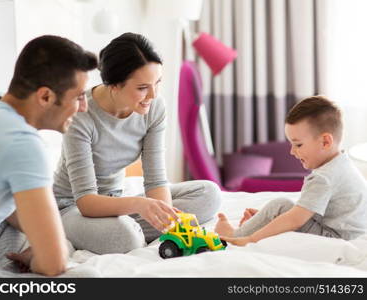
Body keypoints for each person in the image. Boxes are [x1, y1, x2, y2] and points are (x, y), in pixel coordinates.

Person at [53, 32, 222, 254]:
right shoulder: (81, 115)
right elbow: (86, 201)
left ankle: (129, 228)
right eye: (142, 87)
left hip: (118, 201)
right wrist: (139, 205)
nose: (153, 94)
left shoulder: (154, 108)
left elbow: (156, 180)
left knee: (208, 194)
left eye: (157, 83)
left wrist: (169, 222)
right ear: (114, 85)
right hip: (74, 207)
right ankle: (112, 231)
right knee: (125, 238)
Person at [0, 35, 98, 277]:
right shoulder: (22, 143)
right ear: (45, 97)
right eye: (79, 96)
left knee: (22, 227)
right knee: (86, 277)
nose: (84, 107)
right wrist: (44, 257)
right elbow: (54, 265)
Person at [215, 95, 367, 246]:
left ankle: (235, 235)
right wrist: (268, 220)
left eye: (298, 145)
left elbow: (295, 219)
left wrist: (251, 239)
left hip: (335, 238)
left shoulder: (324, 177)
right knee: (282, 210)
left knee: (280, 205)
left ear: (325, 141)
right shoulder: (342, 163)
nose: (292, 152)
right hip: (349, 233)